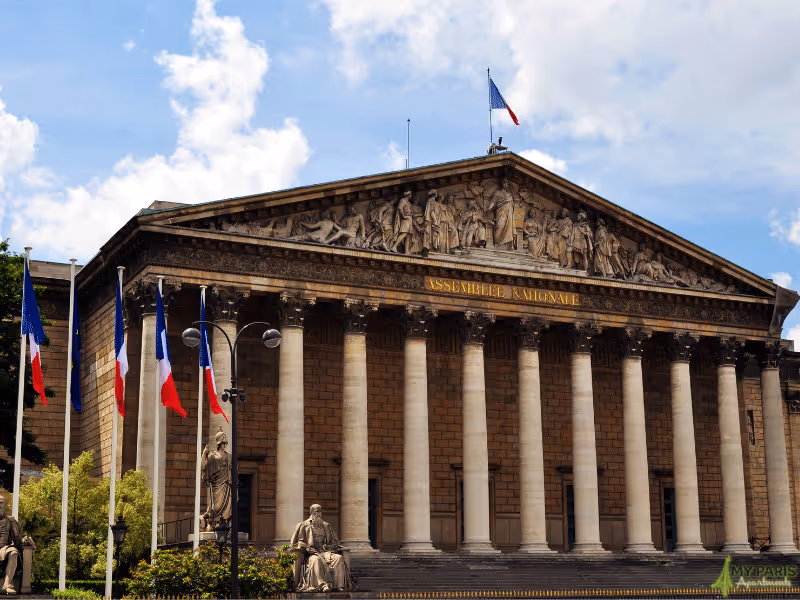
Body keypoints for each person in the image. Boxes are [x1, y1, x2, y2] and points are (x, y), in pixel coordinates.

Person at [290, 505, 351, 592]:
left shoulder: (326, 526)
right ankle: (322, 585)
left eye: (319, 511)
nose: (318, 513)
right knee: (316, 559)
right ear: (311, 512)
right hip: (311, 554)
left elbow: (334, 542)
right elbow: (297, 543)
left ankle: (338, 585)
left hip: (324, 552)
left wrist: (328, 547)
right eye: (316, 511)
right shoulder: (304, 525)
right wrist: (307, 548)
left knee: (338, 558)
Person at [201, 427, 232, 529]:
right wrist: (204, 454)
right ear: (219, 443)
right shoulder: (213, 455)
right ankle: (212, 523)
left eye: (225, 443)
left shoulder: (229, 455)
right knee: (216, 506)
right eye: (223, 443)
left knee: (227, 507)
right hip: (217, 484)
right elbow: (204, 467)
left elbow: (233, 469)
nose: (225, 445)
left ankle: (225, 523)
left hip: (226, 483)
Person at [0, 495, 21, 595]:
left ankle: (6, 585)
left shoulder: (10, 520)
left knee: (13, 553)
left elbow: (17, 539)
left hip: (4, 547)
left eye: (1, 503)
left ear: (4, 505)